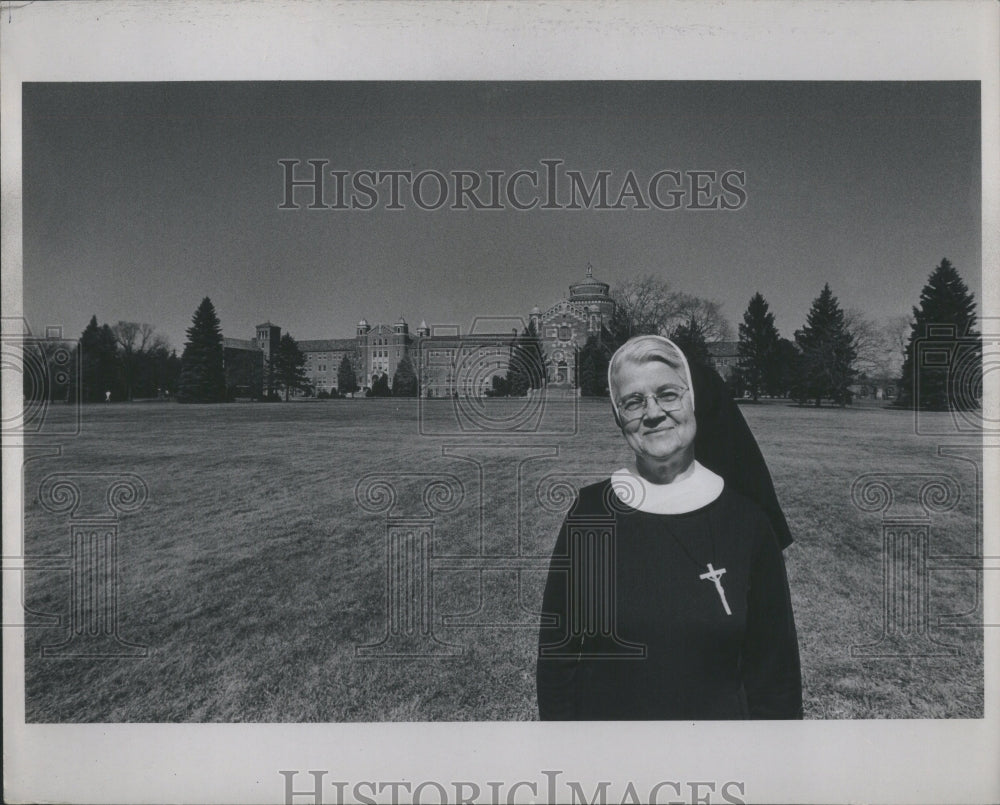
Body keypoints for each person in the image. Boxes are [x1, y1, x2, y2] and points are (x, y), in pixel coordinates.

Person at [536, 335, 802, 720]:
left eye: (668, 394)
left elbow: (775, 676)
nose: (653, 412)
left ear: (694, 400)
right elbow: (557, 660)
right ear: (617, 417)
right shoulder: (590, 514)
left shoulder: (747, 523)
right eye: (633, 401)